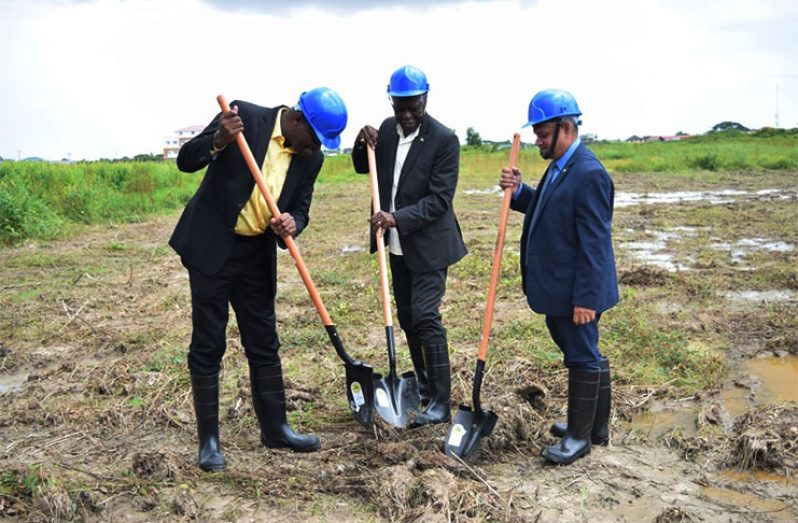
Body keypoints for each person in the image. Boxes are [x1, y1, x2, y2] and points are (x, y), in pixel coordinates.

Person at [170, 87, 348, 471]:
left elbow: (301, 209)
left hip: (256, 253)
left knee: (264, 341)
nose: (316, 148)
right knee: (208, 342)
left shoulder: (309, 159)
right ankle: (210, 443)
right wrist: (219, 139)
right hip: (212, 246)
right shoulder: (245, 117)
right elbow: (186, 161)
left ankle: (276, 429)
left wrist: (292, 223)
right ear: (297, 121)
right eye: (315, 139)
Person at [499, 89, 617, 465]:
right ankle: (594, 429)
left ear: (566, 128)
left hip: (575, 293)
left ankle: (578, 438)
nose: (538, 140)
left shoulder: (589, 173)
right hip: (559, 288)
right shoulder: (562, 164)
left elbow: (595, 244)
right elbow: (547, 208)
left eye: (543, 133)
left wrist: (587, 299)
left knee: (581, 356)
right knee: (585, 353)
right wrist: (519, 192)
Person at [351, 65, 467, 426]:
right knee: (407, 318)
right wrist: (361, 142)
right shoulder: (387, 129)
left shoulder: (444, 140)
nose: (406, 115)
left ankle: (440, 402)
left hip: (430, 245)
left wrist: (395, 217)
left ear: (426, 100)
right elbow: (362, 167)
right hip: (397, 245)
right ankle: (425, 387)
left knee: (425, 316)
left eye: (413, 107)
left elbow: (439, 200)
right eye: (400, 107)